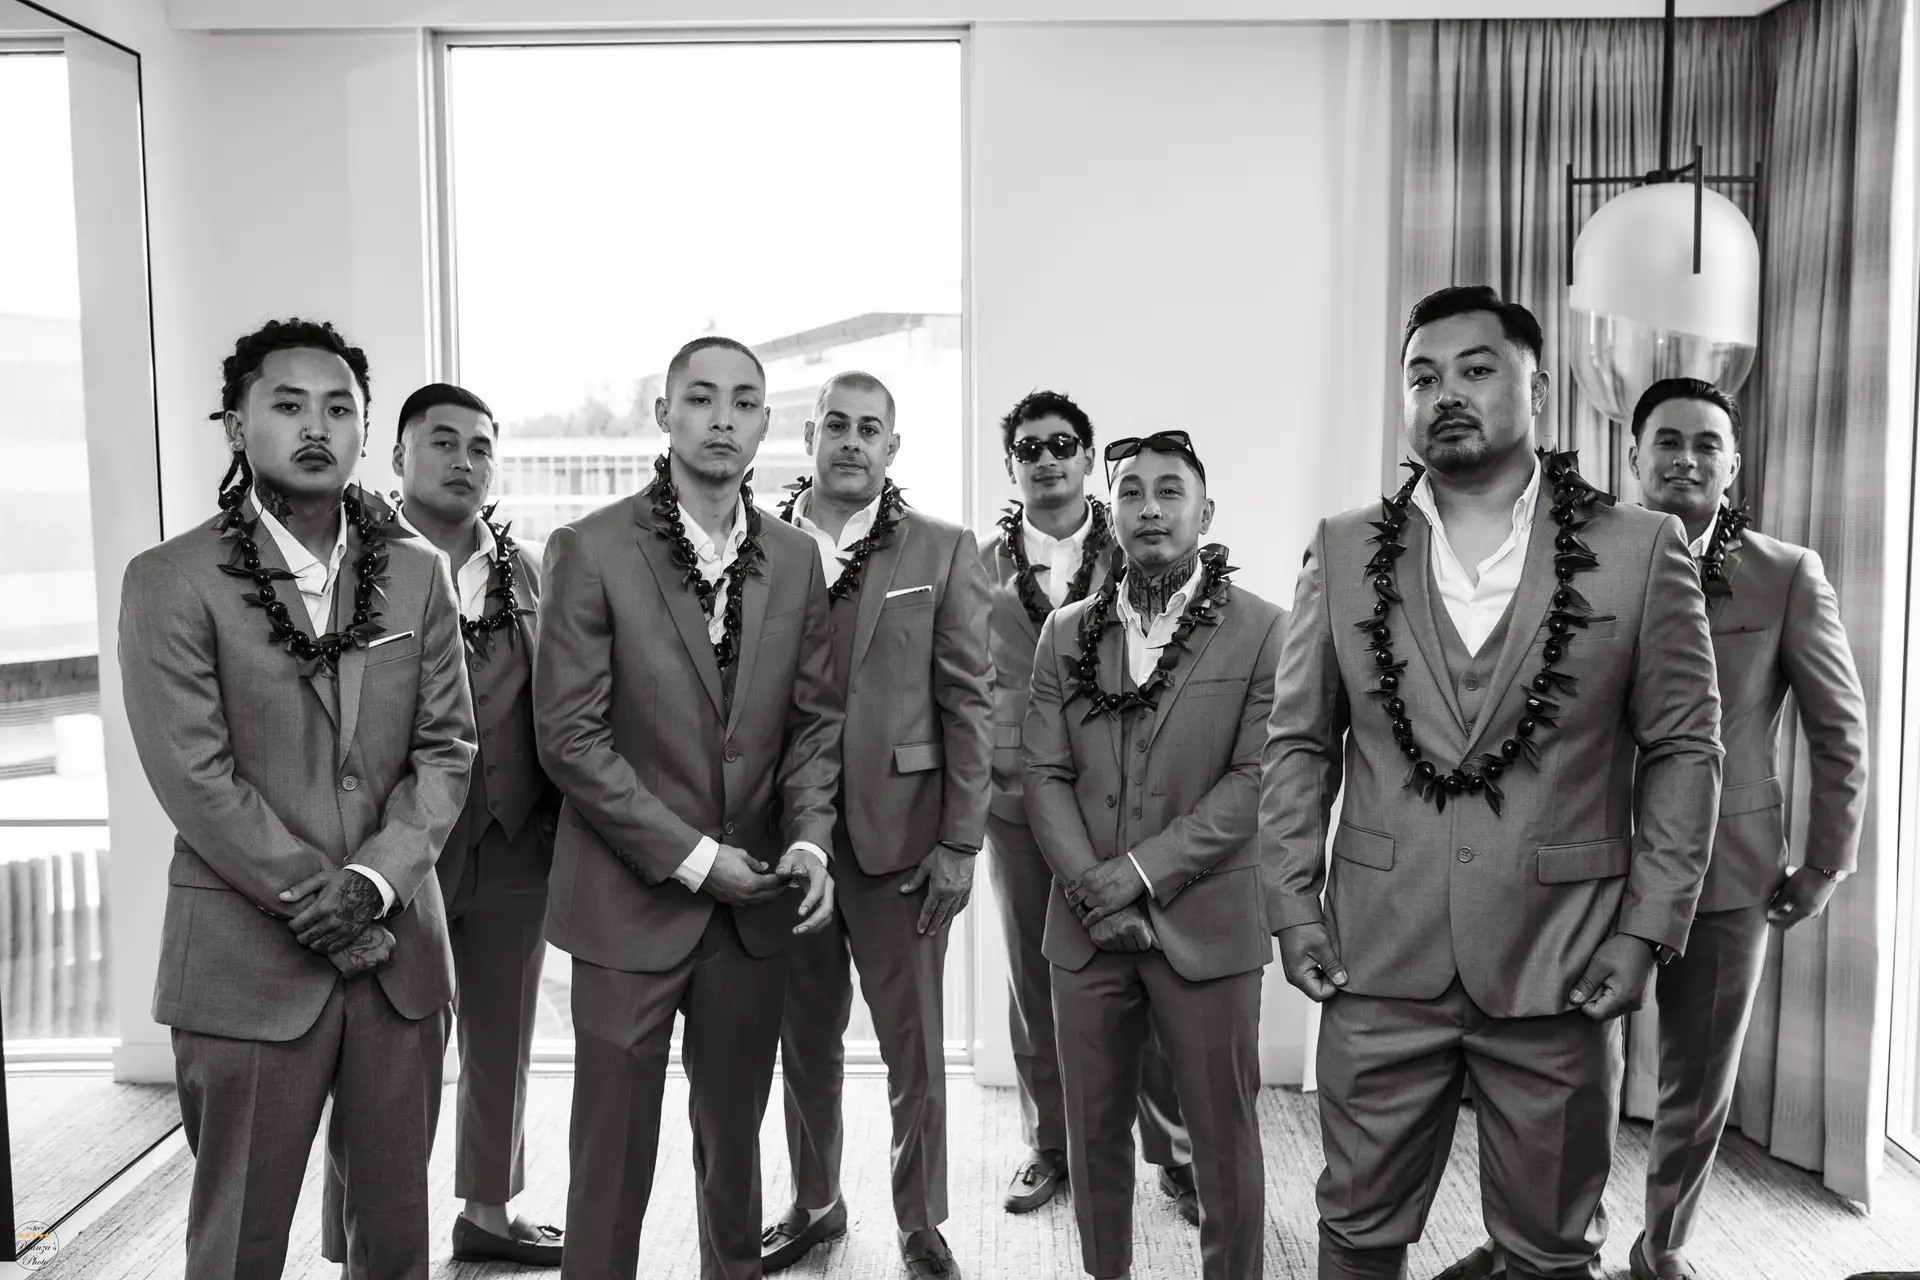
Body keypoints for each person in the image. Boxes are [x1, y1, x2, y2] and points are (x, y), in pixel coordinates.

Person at [1263, 286, 1723, 1280]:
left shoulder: (1641, 549)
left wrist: (1647, 927)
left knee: (1551, 1249)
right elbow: (1298, 742)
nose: (1446, 393)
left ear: (1538, 391)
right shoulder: (1341, 547)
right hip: (1376, 952)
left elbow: (1685, 750)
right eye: (1423, 376)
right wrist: (1291, 905)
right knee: (1355, 1230)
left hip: (1563, 958)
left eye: (1476, 369)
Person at [1434, 378, 1867, 1280]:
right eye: (1667, 441)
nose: (1686, 459)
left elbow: (1838, 728)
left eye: (1708, 444)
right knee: (1559, 1076)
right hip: (1578, 862)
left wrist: (1827, 862)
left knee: (1696, 1080)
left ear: (1734, 464)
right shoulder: (1571, 557)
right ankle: (1540, 1240)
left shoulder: (1787, 574)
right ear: (1633, 456)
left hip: (1728, 871)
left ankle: (1662, 1248)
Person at [120, 319, 474, 1279]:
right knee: (238, 1243)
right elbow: (194, 776)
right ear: (238, 426)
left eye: (339, 408)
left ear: (364, 431)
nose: (317, 426)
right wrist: (322, 901)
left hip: (400, 962)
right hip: (244, 967)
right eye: (288, 405)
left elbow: (448, 749)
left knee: (394, 1240)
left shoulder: (418, 573)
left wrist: (374, 883)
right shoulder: (171, 579)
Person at [534, 335, 842, 1280]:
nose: (723, 418)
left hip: (756, 910)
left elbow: (815, 724)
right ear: (664, 415)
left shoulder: (797, 557)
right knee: (610, 1162)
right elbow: (570, 740)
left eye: (744, 402)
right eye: (701, 398)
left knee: (735, 1153)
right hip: (627, 903)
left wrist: (810, 843)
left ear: (765, 424)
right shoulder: (590, 548)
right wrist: (700, 861)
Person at [1024, 430, 1284, 1280]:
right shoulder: (1064, 632)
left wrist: (1136, 875)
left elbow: (1256, 781)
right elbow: (1043, 772)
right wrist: (1092, 891)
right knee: (1092, 1134)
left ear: (1207, 512)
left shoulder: (1266, 631)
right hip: (1085, 932)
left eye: (1171, 491)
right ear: (1114, 514)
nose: (1150, 508)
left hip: (1209, 929)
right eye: (1131, 492)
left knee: (1222, 1139)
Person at [319, 382, 567, 1270]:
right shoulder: (354, 566)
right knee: (381, 1055)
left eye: (481, 447)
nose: (464, 461)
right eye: (443, 442)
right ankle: (359, 1237)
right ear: (398, 456)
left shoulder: (530, 569)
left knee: (505, 1036)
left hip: (513, 842)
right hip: (397, 855)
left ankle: (488, 1213)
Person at [763, 371, 993, 1278]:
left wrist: (961, 842)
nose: (852, 442)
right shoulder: (761, 544)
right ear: (809, 437)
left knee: (916, 1050)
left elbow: (970, 704)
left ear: (892, 447)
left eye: (870, 429)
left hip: (904, 842)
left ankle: (921, 1220)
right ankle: (816, 1203)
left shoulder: (942, 547)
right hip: (789, 843)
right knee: (804, 1039)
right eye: (836, 425)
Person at [977, 392, 1199, 1223]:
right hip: (1016, 804)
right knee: (1034, 977)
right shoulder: (975, 565)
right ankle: (1050, 1144)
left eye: (1063, 444)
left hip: (1127, 801)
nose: (1047, 458)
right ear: (1012, 467)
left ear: (1086, 457)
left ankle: (1175, 1152)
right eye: (1029, 448)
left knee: (1153, 974)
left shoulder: (1139, 542)